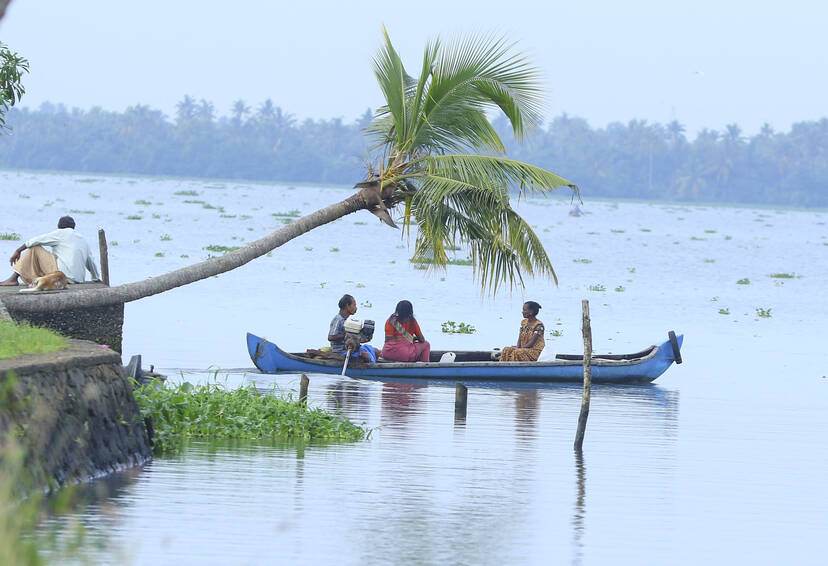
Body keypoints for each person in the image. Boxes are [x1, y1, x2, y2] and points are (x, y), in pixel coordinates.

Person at [1, 216, 101, 286]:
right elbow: (91, 262)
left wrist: (18, 250)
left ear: (59, 227)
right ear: (74, 227)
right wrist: (96, 278)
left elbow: (36, 240)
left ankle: (13, 279)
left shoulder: (61, 233)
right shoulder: (82, 239)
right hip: (78, 280)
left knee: (35, 248)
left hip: (62, 276)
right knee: (53, 257)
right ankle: (26, 278)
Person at [328, 294, 379, 363]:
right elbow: (330, 337)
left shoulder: (348, 321)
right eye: (354, 305)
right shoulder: (338, 319)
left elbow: (354, 340)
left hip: (353, 349)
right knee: (365, 355)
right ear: (347, 306)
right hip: (341, 351)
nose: (356, 308)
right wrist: (346, 335)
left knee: (376, 351)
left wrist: (364, 337)